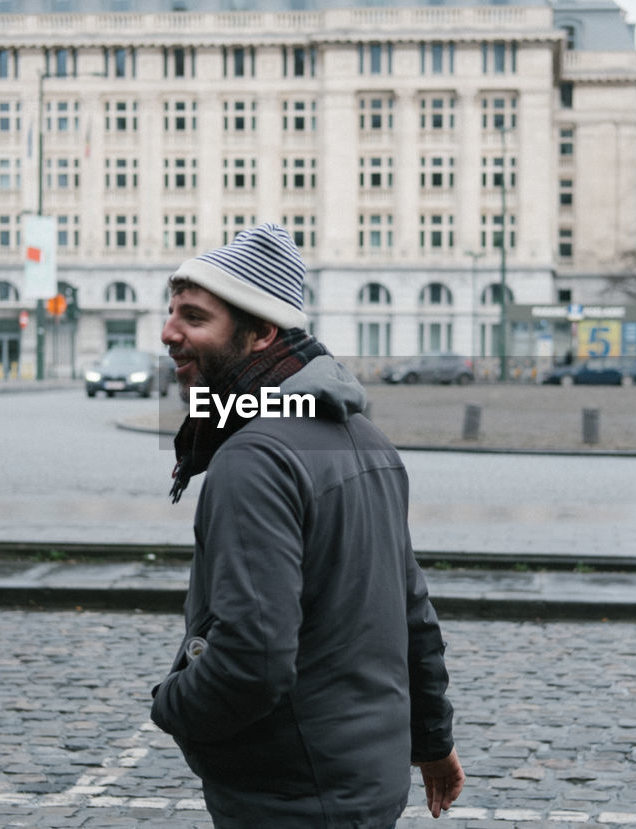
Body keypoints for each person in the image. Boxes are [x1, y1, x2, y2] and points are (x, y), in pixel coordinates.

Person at [150, 224, 463, 829]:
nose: (169, 333)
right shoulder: (368, 441)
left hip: (291, 796)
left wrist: (173, 708)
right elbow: (413, 612)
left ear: (262, 331)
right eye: (171, 313)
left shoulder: (253, 455)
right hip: (364, 784)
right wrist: (431, 740)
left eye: (193, 316)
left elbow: (254, 657)